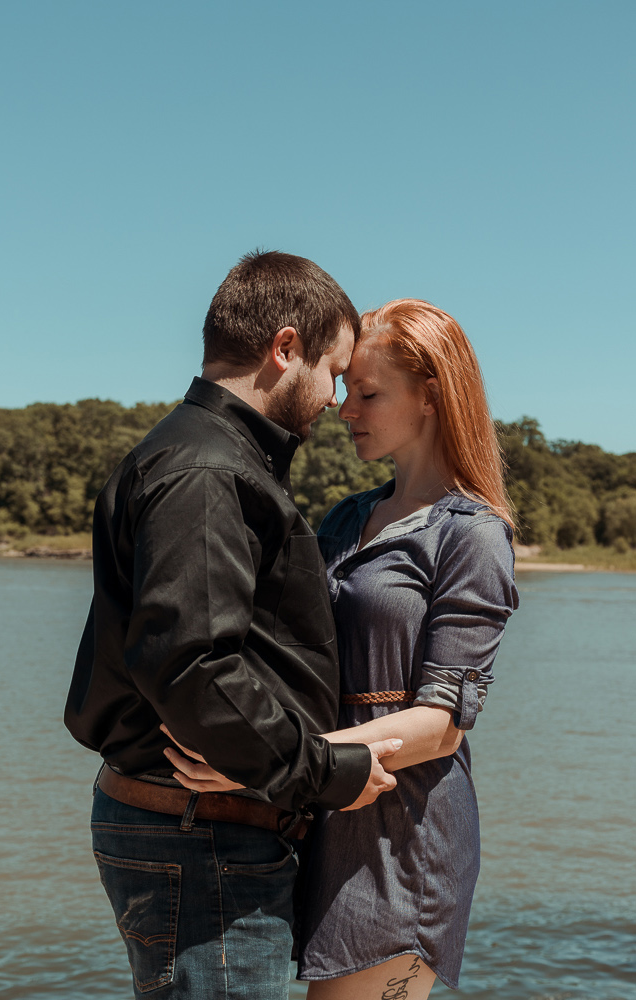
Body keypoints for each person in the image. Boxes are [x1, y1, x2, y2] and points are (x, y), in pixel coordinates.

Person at [64, 251, 404, 999]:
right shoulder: (211, 471)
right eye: (333, 371)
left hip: (200, 828)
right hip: (202, 834)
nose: (335, 399)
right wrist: (324, 773)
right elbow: (192, 667)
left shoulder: (203, 456)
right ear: (285, 349)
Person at [165, 298, 518, 998]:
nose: (344, 408)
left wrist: (267, 766)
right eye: (347, 388)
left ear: (431, 394)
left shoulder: (472, 534)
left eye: (369, 392)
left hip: (401, 835)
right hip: (320, 815)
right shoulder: (345, 516)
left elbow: (441, 726)